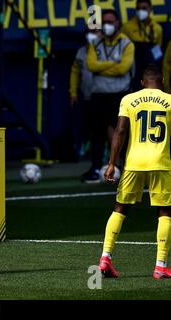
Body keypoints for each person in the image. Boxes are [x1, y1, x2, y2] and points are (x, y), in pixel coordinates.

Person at [98, 64, 171, 279]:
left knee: (120, 208)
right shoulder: (169, 100)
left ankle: (105, 258)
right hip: (161, 162)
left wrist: (111, 163)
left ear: (141, 82)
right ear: (162, 81)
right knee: (165, 212)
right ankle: (160, 265)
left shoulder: (129, 99)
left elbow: (120, 131)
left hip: (133, 163)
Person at [82, 9, 135, 183]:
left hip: (120, 95)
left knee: (122, 133)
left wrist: (102, 66)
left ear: (118, 23)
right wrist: (114, 64)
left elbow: (123, 69)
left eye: (111, 21)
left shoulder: (127, 44)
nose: (107, 25)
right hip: (99, 94)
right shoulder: (95, 43)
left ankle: (126, 168)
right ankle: (95, 168)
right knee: (96, 134)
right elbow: (91, 65)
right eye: (104, 22)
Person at [69, 27, 101, 161]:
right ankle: (85, 148)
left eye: (94, 31)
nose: (91, 35)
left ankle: (107, 153)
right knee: (87, 124)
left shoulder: (106, 50)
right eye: (88, 32)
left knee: (104, 126)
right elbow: (75, 72)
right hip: (87, 95)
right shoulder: (81, 52)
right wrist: (73, 92)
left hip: (105, 94)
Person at [121, 0, 163, 91]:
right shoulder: (126, 27)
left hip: (151, 66)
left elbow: (158, 50)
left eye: (144, 8)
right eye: (138, 8)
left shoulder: (157, 28)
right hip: (135, 66)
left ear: (150, 9)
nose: (141, 11)